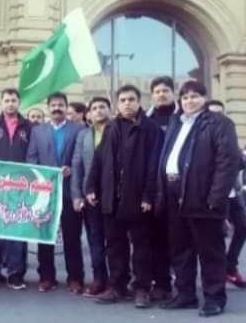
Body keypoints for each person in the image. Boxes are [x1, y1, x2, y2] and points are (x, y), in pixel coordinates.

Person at [158, 81, 241, 317]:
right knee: (180, 249)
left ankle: (214, 298)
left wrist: (216, 196)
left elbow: (227, 162)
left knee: (210, 251)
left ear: (204, 98)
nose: (189, 101)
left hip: (203, 195)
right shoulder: (176, 122)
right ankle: (185, 294)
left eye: (194, 96)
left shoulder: (219, 123)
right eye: (185, 97)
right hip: (174, 193)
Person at [85, 86, 163, 308]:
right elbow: (98, 160)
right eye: (123, 100)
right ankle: (117, 286)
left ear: (139, 102)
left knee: (141, 246)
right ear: (117, 104)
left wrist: (148, 195)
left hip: (138, 199)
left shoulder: (151, 129)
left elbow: (154, 165)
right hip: (112, 197)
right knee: (114, 245)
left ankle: (142, 288)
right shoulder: (111, 127)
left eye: (131, 99)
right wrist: (91, 187)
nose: (127, 103)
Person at [26, 92, 85, 294]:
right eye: (53, 105)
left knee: (72, 237)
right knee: (45, 236)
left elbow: (83, 158)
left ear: (66, 107)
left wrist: (72, 169)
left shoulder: (79, 129)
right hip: (46, 192)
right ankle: (46, 277)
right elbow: (31, 160)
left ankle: (75, 278)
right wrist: (45, 174)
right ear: (48, 108)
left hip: (70, 191)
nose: (57, 108)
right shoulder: (38, 131)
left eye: (60, 105)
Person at [0, 88, 33, 291]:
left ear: (19, 102)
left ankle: (15, 273)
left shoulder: (29, 127)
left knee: (16, 229)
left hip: (19, 185)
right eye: (7, 100)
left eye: (13, 100)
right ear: (1, 102)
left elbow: (32, 155)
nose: (10, 104)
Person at [207, 100, 246, 291]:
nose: (217, 117)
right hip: (214, 193)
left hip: (233, 191)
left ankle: (230, 266)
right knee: (216, 235)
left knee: (242, 227)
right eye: (213, 113)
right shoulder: (203, 135)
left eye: (220, 113)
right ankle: (216, 274)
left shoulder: (229, 131)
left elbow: (240, 163)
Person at [70, 97, 111, 297]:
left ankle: (118, 281)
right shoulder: (83, 135)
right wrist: (76, 195)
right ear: (88, 114)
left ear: (110, 110)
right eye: (94, 108)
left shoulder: (118, 131)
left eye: (102, 107)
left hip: (115, 195)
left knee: (116, 241)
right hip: (90, 196)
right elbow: (77, 165)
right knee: (95, 240)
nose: (98, 111)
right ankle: (99, 279)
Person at [145, 76, 177, 302]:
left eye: (165, 90)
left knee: (180, 240)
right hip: (153, 188)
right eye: (157, 91)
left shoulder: (182, 119)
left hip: (178, 188)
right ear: (152, 96)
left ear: (173, 93)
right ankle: (161, 282)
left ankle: (184, 285)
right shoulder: (146, 121)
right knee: (155, 239)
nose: (161, 94)